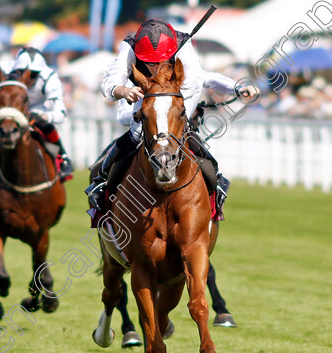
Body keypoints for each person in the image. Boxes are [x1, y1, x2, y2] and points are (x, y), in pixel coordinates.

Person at [86, 18, 253, 219]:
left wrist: (174, 112)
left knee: (183, 133)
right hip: (143, 94)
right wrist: (120, 90)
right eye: (149, 62)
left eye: (159, 62)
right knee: (137, 132)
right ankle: (103, 182)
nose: (155, 67)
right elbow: (111, 80)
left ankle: (216, 185)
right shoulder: (128, 47)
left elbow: (195, 84)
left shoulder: (183, 47)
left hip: (177, 97)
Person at [0, 47, 73, 182]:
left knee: (46, 126)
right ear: (16, 68)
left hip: (37, 111)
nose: (28, 78)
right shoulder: (2, 69)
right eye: (23, 72)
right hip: (10, 109)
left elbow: (61, 113)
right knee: (3, 125)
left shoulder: (49, 76)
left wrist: (45, 116)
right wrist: (5, 108)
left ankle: (63, 157)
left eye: (34, 73)